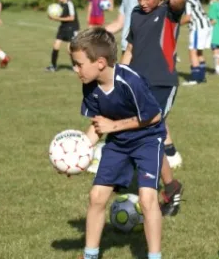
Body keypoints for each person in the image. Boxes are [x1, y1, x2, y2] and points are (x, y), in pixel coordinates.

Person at [70, 28, 164, 259]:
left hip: (148, 140)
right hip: (118, 144)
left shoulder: (129, 81)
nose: (75, 70)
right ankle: (90, 255)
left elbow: (154, 116)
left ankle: (154, 256)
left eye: (79, 64)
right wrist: (77, 156)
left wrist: (114, 126)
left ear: (100, 62)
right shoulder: (90, 84)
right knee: (97, 197)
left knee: (147, 198)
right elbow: (97, 126)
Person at [122, 0, 185, 215]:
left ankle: (164, 187)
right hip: (137, 82)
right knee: (145, 136)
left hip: (162, 84)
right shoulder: (137, 14)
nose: (143, 2)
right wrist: (119, 79)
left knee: (148, 131)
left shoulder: (170, 12)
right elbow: (130, 50)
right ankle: (170, 186)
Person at [179, 0, 212, 85]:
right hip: (205, 26)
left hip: (198, 27)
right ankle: (201, 76)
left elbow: (188, 17)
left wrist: (176, 24)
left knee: (192, 51)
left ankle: (195, 78)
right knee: (199, 51)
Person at [46, 0, 80, 72]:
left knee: (70, 49)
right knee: (56, 45)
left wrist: (57, 18)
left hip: (72, 28)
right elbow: (58, 15)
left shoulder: (70, 4)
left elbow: (72, 18)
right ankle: (53, 66)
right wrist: (51, 17)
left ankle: (75, 66)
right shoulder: (59, 5)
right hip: (63, 27)